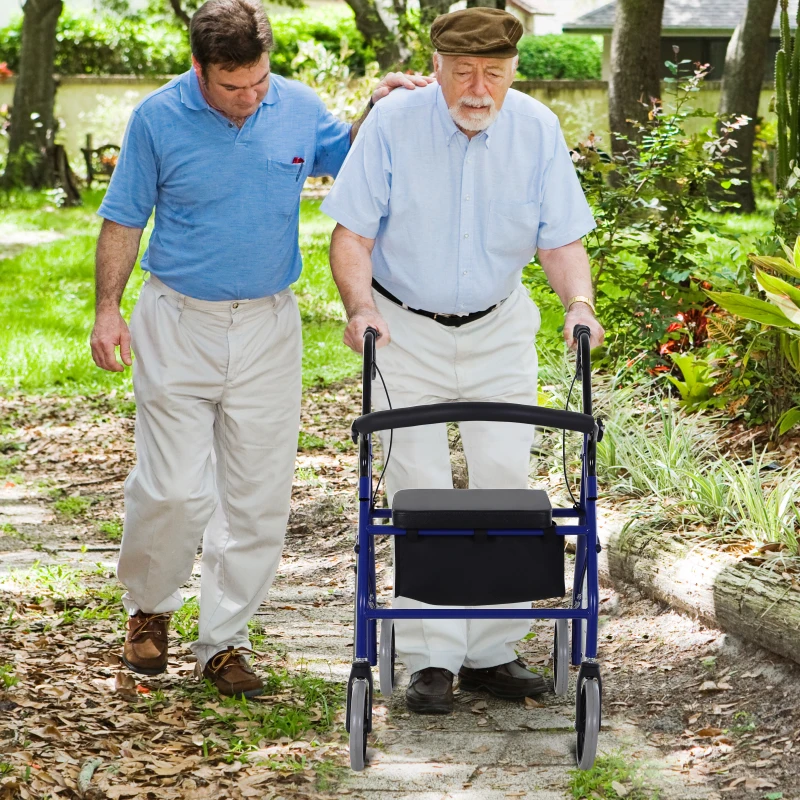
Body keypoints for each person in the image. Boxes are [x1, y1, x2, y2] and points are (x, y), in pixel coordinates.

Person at [90, 0, 430, 698]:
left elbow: (356, 157)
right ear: (199, 68)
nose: (248, 99)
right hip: (177, 317)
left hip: (270, 324)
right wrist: (107, 309)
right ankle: (148, 609)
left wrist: (379, 102)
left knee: (257, 496)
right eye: (231, 86)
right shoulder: (157, 117)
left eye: (258, 84)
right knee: (175, 487)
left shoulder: (297, 106)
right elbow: (125, 219)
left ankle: (224, 641)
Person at [321, 7, 604, 715]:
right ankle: (430, 655)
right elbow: (350, 235)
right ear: (437, 68)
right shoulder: (392, 125)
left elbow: (560, 239)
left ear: (513, 73)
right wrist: (361, 310)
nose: (480, 89)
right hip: (403, 326)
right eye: (465, 73)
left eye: (496, 74)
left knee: (505, 482)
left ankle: (492, 651)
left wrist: (579, 303)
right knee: (417, 485)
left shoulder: (536, 128)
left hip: (498, 326)